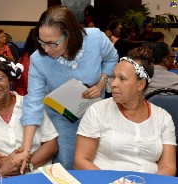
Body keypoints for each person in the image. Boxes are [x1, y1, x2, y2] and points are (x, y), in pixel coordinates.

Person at [19, 5, 118, 170]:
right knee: (68, 162)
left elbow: (112, 58)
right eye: (41, 41)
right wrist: (26, 149)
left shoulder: (95, 39)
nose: (45, 49)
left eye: (52, 43)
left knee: (99, 161)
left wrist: (101, 81)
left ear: (70, 34)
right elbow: (33, 101)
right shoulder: (38, 59)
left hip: (95, 112)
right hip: (61, 116)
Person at [74, 47, 176, 176]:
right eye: (113, 77)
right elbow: (81, 160)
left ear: (140, 85)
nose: (113, 84)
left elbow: (168, 166)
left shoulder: (163, 118)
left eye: (122, 79)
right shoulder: (97, 111)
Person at [0, 55, 58, 176]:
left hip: (38, 173)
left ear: (11, 80)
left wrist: (24, 167)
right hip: (2, 178)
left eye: (0, 78)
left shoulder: (30, 105)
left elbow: (51, 144)